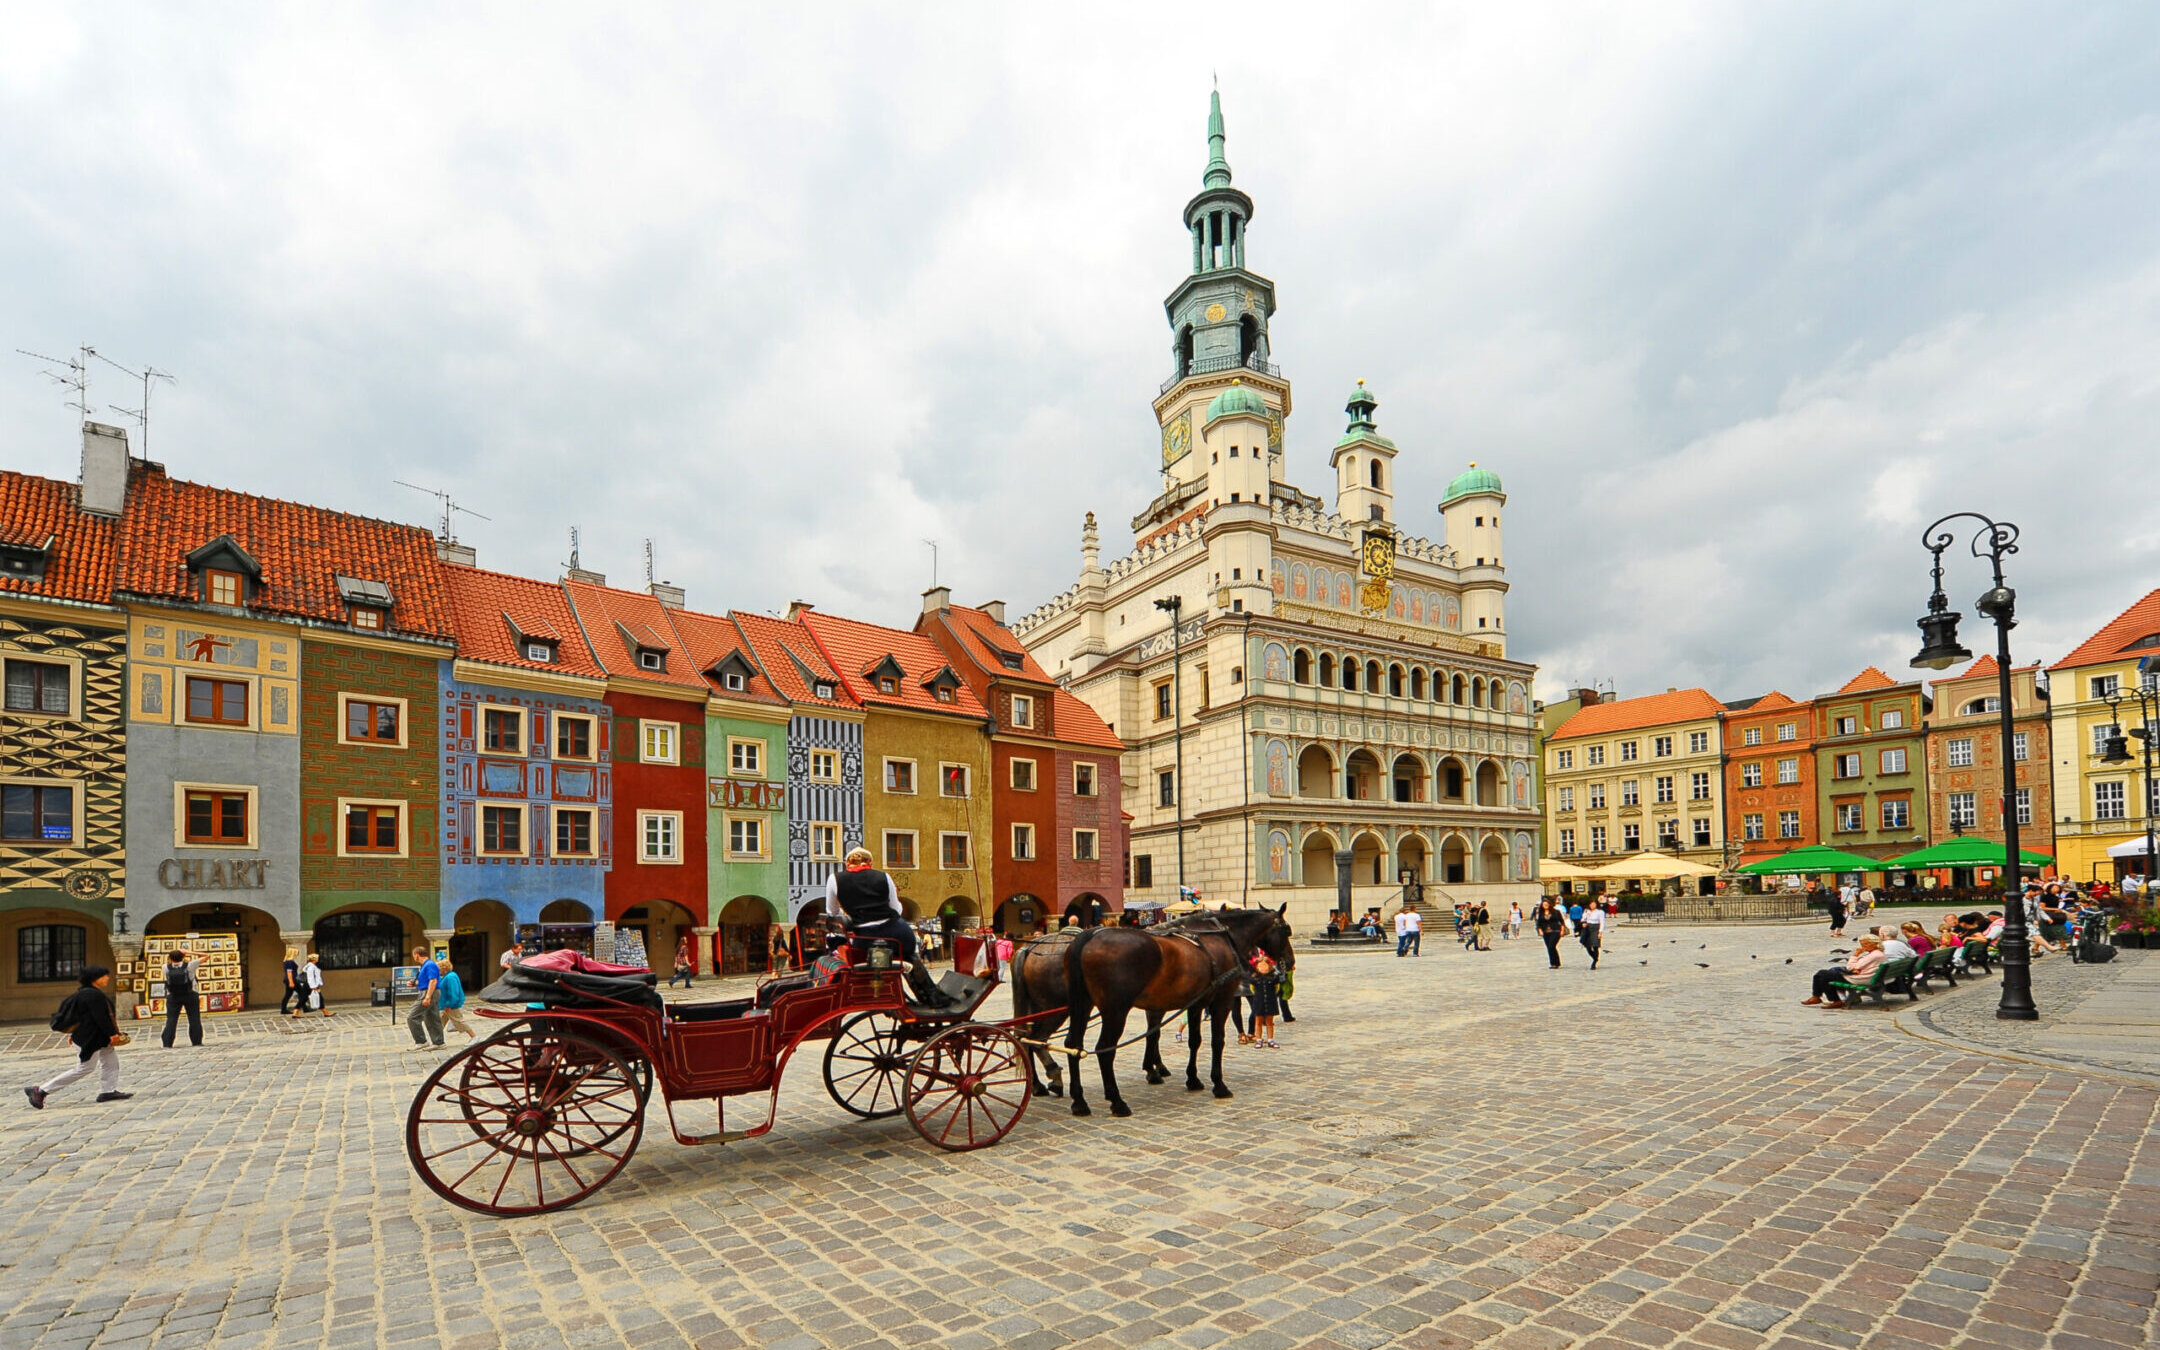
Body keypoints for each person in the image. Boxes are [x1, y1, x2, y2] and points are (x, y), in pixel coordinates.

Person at [826, 847, 951, 1006]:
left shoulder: (835, 879)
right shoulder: (883, 876)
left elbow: (832, 912)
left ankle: (926, 996)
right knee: (910, 955)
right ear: (870, 863)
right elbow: (896, 909)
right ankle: (931, 995)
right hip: (894, 932)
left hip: (864, 938)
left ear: (846, 863)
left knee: (905, 956)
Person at [24, 966, 130, 1108]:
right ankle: (41, 1090)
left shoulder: (83, 994)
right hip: (91, 1038)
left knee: (110, 1060)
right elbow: (101, 1018)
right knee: (85, 1068)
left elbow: (81, 1018)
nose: (107, 978)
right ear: (95, 979)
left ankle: (108, 1091)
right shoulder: (92, 995)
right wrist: (112, 1034)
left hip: (95, 1036)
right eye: (104, 976)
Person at [1804, 935, 1883, 1008]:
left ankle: (1827, 998)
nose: (1863, 947)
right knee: (1823, 974)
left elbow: (1849, 967)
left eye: (1865, 944)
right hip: (1866, 977)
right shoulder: (1878, 954)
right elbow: (1859, 966)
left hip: (1860, 979)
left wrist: (1856, 954)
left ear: (1874, 944)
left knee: (1822, 974)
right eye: (1862, 944)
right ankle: (1818, 997)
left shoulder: (1874, 955)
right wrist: (1857, 968)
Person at [161, 948, 204, 1048]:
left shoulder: (165, 967)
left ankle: (167, 1042)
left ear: (170, 958)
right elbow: (206, 956)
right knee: (194, 1018)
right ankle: (196, 1041)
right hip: (190, 993)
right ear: (183, 957)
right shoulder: (190, 965)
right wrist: (189, 952)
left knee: (171, 1019)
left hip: (173, 995)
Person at [407, 946, 445, 1050]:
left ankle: (421, 1041)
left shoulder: (429, 965)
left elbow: (433, 981)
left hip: (429, 992)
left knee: (412, 1017)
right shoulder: (426, 965)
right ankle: (439, 1042)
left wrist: (427, 997)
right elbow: (427, 981)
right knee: (432, 1017)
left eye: (413, 955)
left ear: (417, 955)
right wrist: (414, 983)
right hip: (429, 991)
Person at [1246, 953, 1283, 1048]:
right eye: (1260, 966)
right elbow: (1249, 979)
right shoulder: (1255, 979)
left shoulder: (1272, 978)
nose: (1262, 968)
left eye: (1264, 965)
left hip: (1270, 1001)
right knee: (1258, 1021)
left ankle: (1270, 1039)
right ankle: (1259, 1039)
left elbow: (1280, 979)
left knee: (1269, 1022)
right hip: (1259, 1002)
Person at [1534, 898, 1567, 969]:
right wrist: (1540, 930)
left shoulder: (1556, 912)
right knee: (1550, 948)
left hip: (1555, 931)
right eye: (1544, 905)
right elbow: (1539, 923)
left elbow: (1562, 922)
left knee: (1551, 946)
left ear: (1549, 904)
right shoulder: (1540, 913)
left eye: (1546, 904)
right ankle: (1554, 963)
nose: (1545, 906)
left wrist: (1562, 930)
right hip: (1545, 932)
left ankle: (1555, 963)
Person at [1576, 898, 1605, 969]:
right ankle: (1594, 957)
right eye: (1591, 904)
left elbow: (1602, 922)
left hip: (1595, 928)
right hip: (1587, 928)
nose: (1592, 905)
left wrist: (1600, 932)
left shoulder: (1600, 912)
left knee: (1595, 945)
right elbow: (1583, 919)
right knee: (1587, 946)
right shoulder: (1586, 911)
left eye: (1594, 904)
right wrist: (1583, 923)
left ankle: (1594, 962)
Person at [302, 953, 332, 1017]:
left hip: (312, 985)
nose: (318, 959)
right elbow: (311, 977)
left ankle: (295, 1012)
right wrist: (313, 986)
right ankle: (325, 1012)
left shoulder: (313, 966)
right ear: (314, 959)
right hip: (312, 985)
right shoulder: (311, 967)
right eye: (317, 958)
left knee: (304, 999)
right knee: (320, 998)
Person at [280, 947, 305, 1016]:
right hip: (292, 980)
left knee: (288, 995)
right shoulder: (290, 962)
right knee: (302, 993)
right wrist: (291, 982)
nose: (297, 954)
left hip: (289, 980)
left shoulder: (286, 961)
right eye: (296, 953)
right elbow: (289, 973)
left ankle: (283, 1009)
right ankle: (302, 1008)